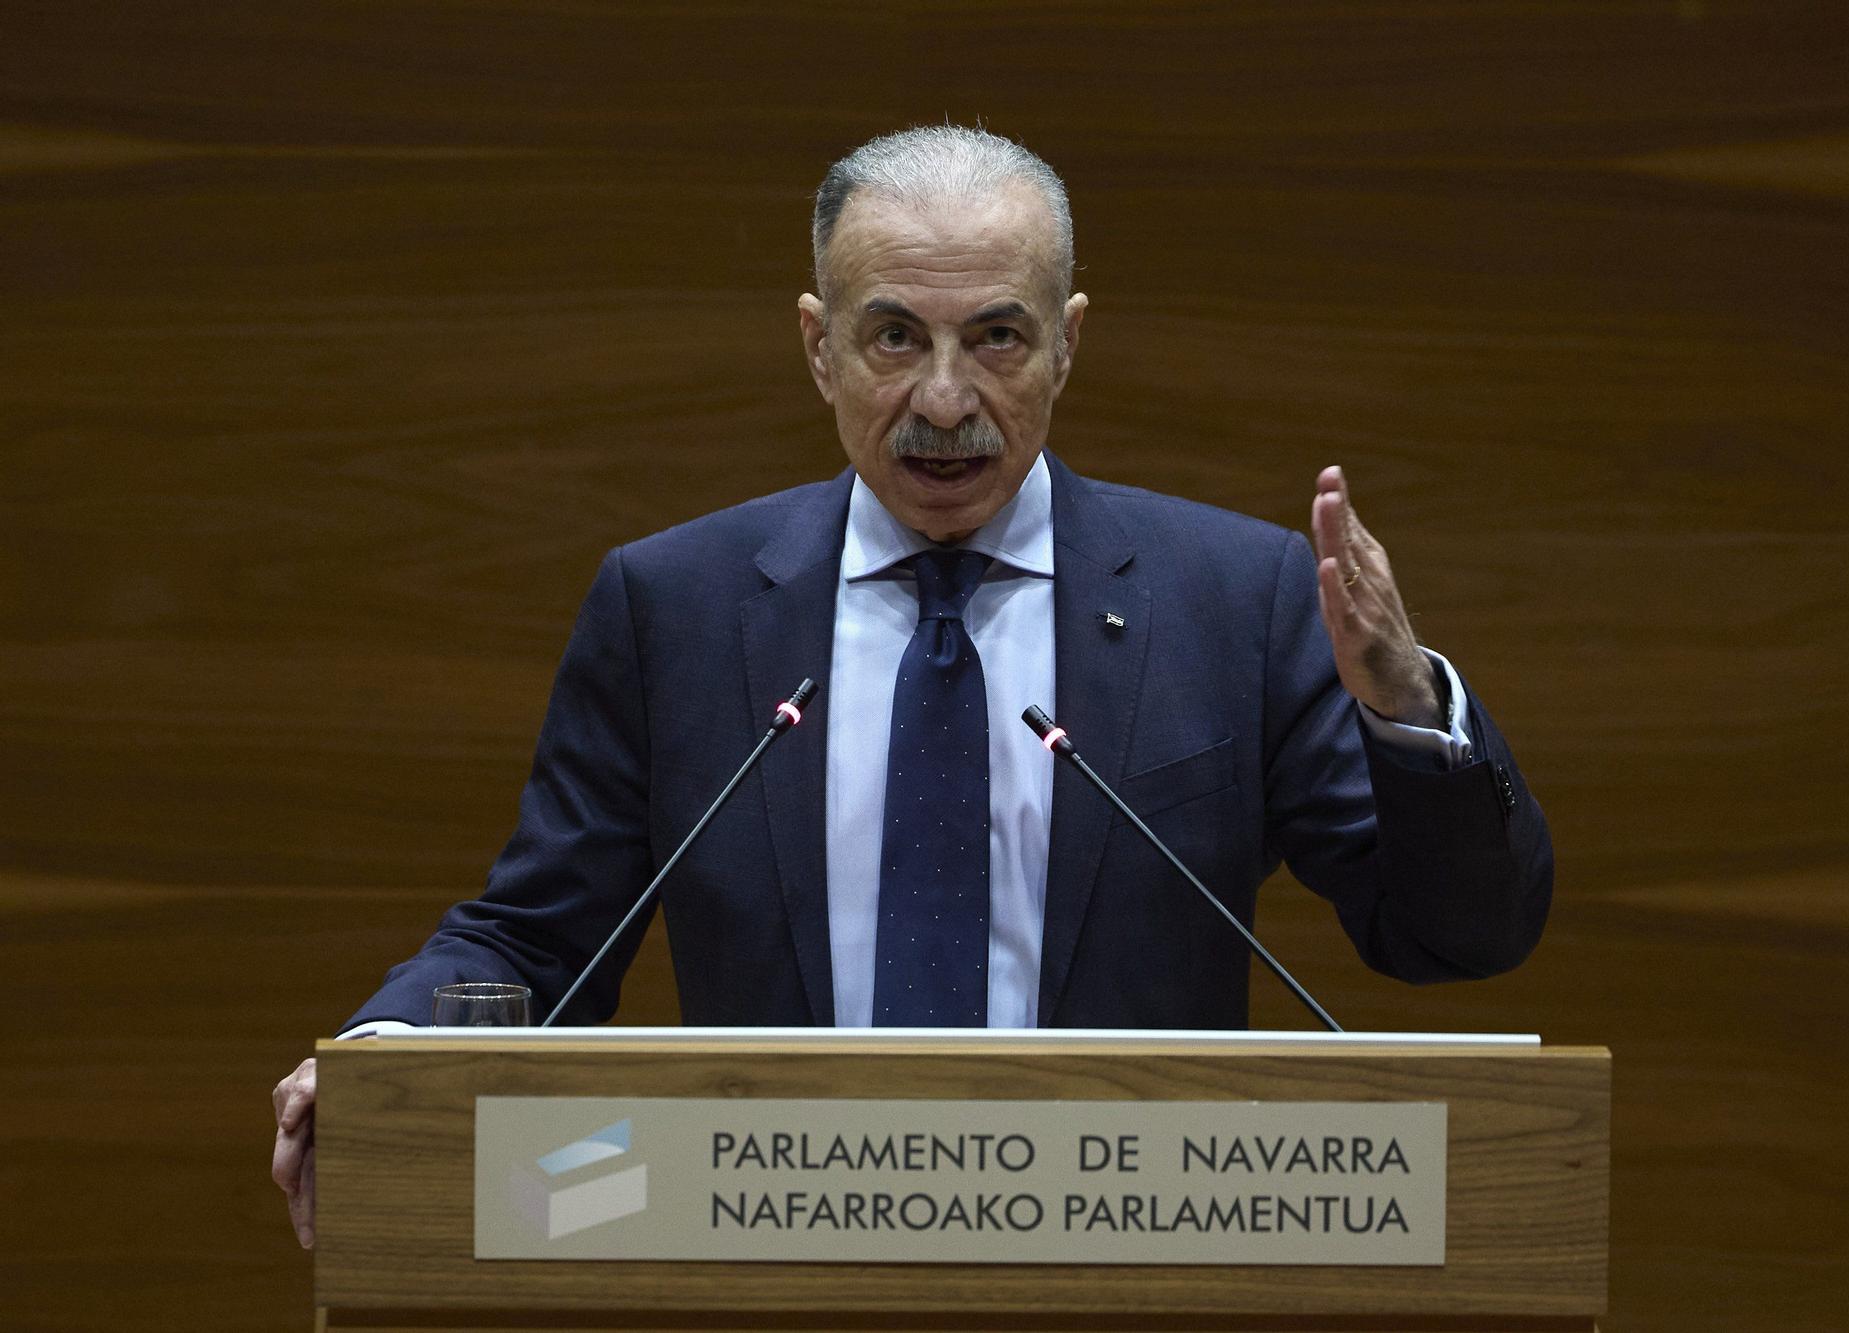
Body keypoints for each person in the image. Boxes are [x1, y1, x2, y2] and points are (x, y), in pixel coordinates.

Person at [271, 125, 1553, 1247]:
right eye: (895, 336)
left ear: (1067, 344)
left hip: (1134, 1263)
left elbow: (1455, 936)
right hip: (764, 1259)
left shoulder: (1232, 598)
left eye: (996, 336)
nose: (944, 401)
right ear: (817, 347)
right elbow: (541, 938)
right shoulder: (676, 606)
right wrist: (380, 1061)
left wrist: (1405, 705)